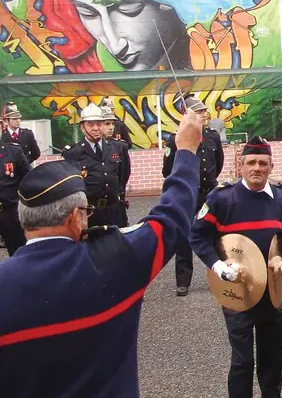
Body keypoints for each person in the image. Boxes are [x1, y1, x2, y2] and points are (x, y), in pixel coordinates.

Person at [0, 108, 202, 397]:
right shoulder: (116, 261)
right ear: (74, 217)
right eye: (85, 212)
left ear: (23, 218)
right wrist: (186, 151)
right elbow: (172, 217)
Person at [190, 136, 282, 398]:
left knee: (272, 360)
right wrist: (218, 267)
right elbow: (197, 236)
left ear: (271, 166)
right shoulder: (222, 199)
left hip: (272, 293)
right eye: (251, 162)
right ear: (240, 165)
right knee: (242, 362)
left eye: (263, 163)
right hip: (237, 292)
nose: (257, 168)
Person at [162, 94, 224, 296]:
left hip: (209, 194)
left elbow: (218, 163)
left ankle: (220, 275)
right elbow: (168, 170)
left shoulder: (213, 136)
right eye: (198, 112)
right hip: (189, 195)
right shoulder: (175, 140)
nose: (204, 115)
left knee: (215, 235)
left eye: (204, 111)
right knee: (184, 238)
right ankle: (183, 281)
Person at [61, 103, 128, 227]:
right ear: (82, 127)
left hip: (114, 211)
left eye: (99, 123)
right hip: (88, 214)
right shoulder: (73, 153)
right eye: (90, 124)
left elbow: (122, 176)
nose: (96, 128)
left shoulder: (117, 147)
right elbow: (69, 186)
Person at [0, 117, 31, 258]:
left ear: (2, 128)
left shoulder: (14, 152)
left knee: (19, 255)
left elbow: (29, 179)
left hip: (10, 213)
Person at [100, 104, 132, 226]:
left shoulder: (119, 146)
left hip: (116, 203)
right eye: (107, 124)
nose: (111, 128)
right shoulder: (81, 149)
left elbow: (124, 174)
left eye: (112, 124)